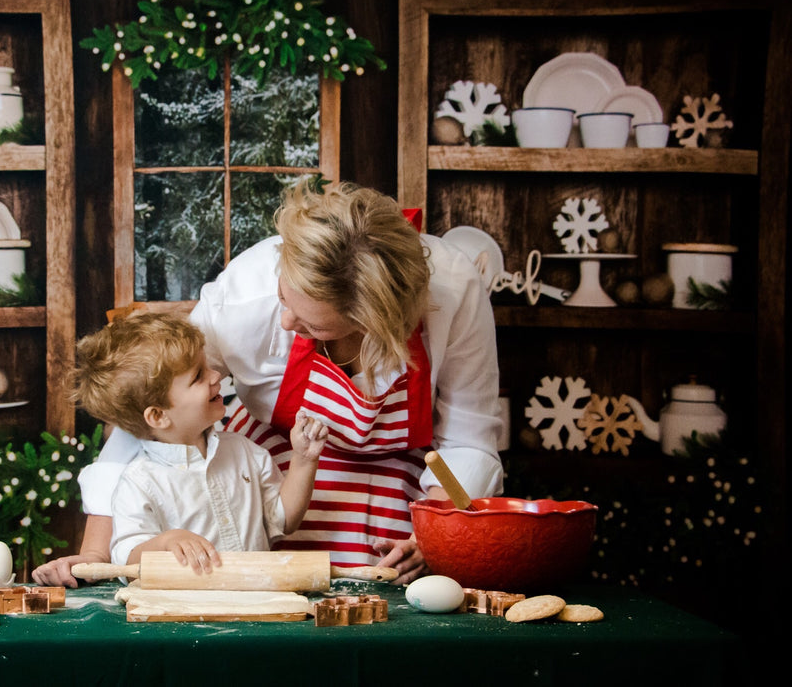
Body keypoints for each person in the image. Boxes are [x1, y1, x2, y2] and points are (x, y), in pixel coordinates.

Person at [32, 178, 503, 588]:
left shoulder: (454, 293)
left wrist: (433, 535)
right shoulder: (243, 296)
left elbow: (469, 439)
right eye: (284, 296)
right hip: (266, 471)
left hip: (401, 486)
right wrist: (95, 554)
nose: (285, 318)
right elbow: (143, 413)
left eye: (315, 326)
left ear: (376, 323)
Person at [67, 311, 327, 571]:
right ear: (158, 415)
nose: (216, 376)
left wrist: (304, 460)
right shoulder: (139, 481)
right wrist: (166, 541)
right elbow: (126, 558)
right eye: (198, 376)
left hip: (256, 603)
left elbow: (284, 521)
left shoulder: (245, 452)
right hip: (184, 610)